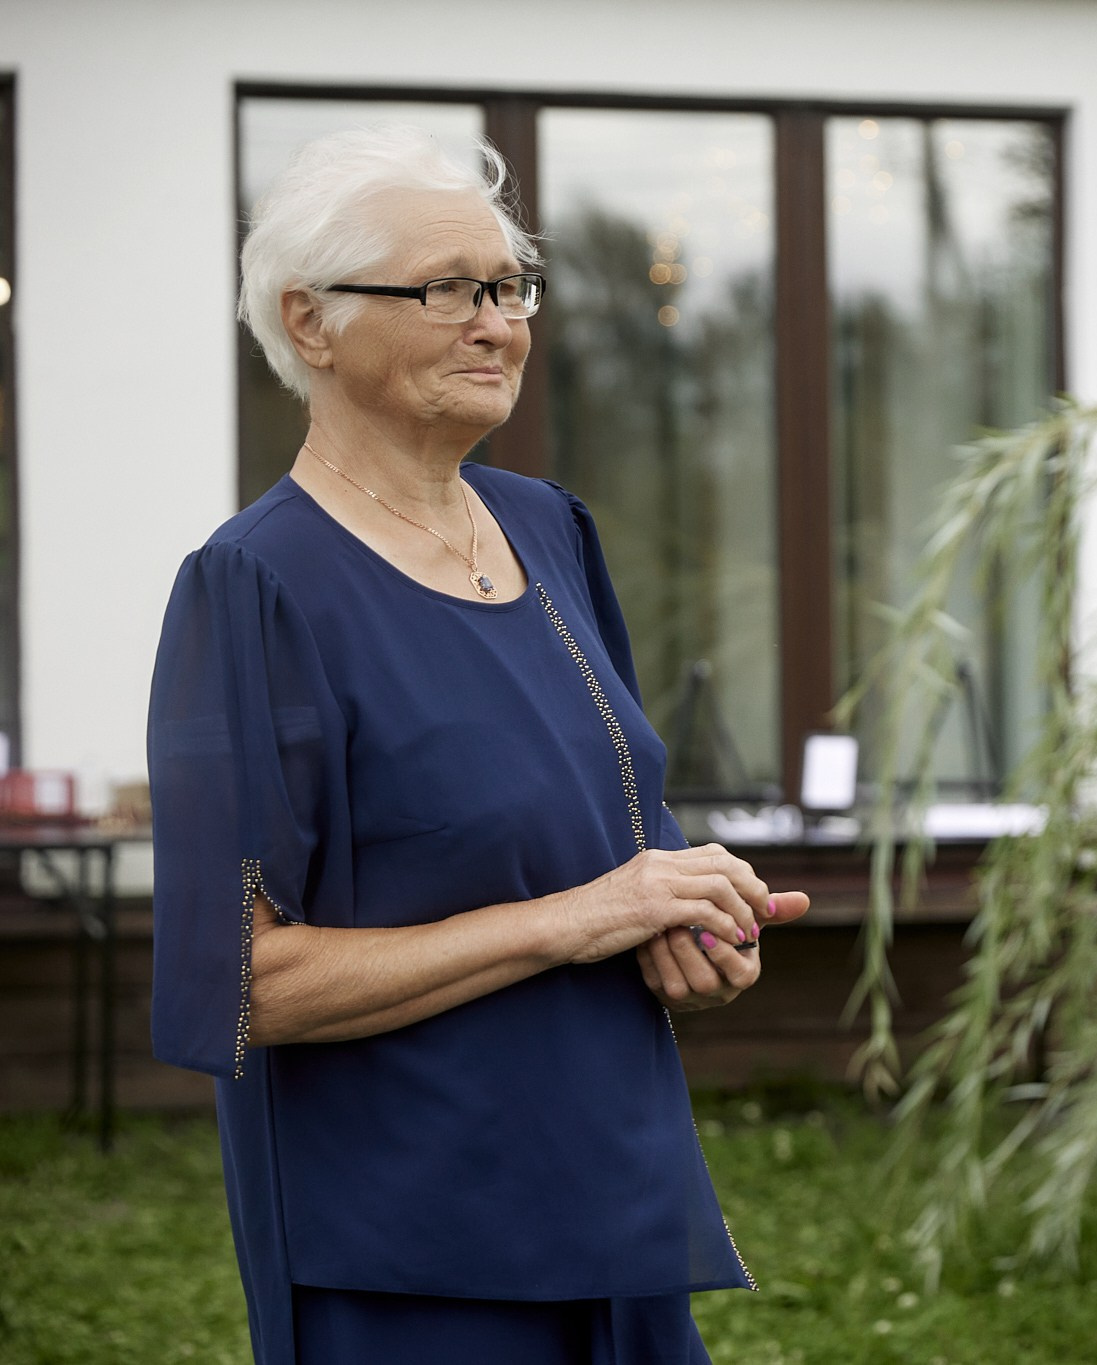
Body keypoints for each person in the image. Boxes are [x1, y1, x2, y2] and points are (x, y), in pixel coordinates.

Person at [147, 124, 811, 1365]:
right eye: (447, 289)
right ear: (310, 324)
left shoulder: (546, 527)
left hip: (615, 1192)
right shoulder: (254, 588)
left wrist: (684, 926)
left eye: (508, 288)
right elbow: (237, 981)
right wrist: (579, 916)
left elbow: (616, 832)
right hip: (411, 1241)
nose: (497, 324)